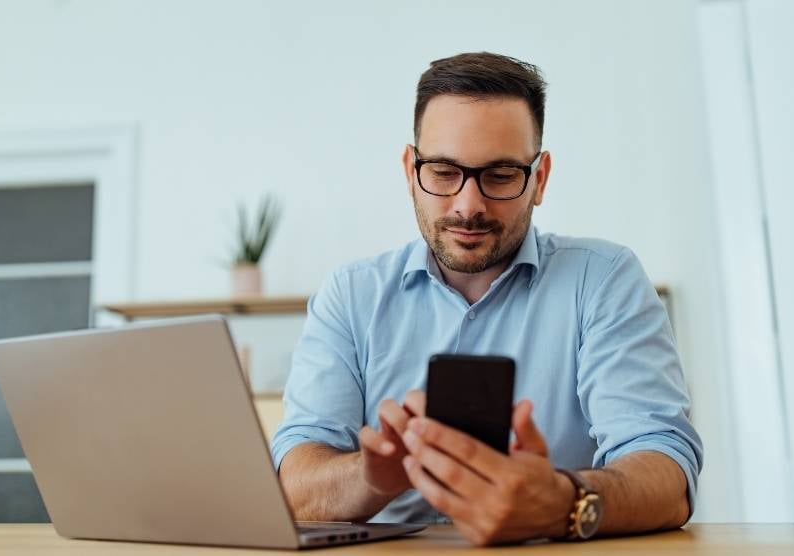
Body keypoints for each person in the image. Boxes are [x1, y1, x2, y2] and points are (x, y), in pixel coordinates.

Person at [270, 52, 702, 546]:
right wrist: (372, 476)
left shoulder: (603, 279)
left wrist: (561, 502)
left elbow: (668, 475)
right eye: (444, 171)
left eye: (499, 175)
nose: (468, 205)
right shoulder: (350, 295)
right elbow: (295, 487)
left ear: (538, 179)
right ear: (411, 171)